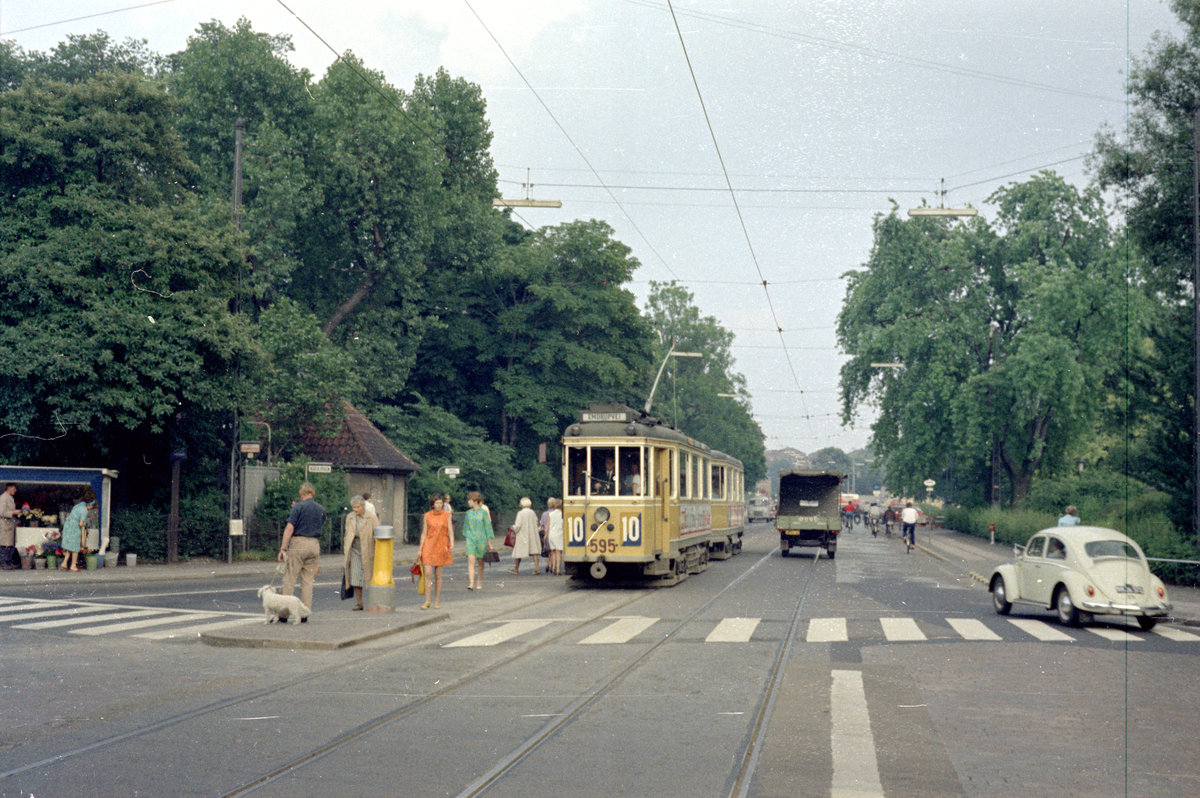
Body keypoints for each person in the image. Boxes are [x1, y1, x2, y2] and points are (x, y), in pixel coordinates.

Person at [278, 482, 326, 621]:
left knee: (290, 578)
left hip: (299, 543)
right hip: (314, 544)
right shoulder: (321, 509)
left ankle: (283, 614)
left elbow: (289, 529)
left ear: (301, 493)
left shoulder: (297, 507)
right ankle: (305, 614)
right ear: (313, 493)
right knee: (308, 581)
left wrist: (283, 548)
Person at [342, 495, 379, 611]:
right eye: (354, 507)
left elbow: (377, 534)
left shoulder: (372, 517)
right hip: (354, 549)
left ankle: (374, 602)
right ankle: (359, 603)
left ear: (363, 506)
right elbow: (347, 533)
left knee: (370, 576)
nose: (355, 510)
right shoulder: (350, 517)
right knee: (355, 576)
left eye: (357, 507)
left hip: (368, 549)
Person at [419, 494, 454, 609]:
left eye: (440, 503)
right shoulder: (427, 515)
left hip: (441, 546)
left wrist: (452, 544)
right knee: (428, 573)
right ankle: (427, 600)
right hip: (429, 546)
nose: (439, 505)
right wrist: (420, 549)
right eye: (437, 503)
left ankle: (436, 600)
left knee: (438, 575)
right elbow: (424, 533)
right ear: (432, 504)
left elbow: (450, 531)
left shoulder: (446, 515)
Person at [462, 491, 494, 591]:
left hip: (481, 540)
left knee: (480, 561)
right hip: (471, 539)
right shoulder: (468, 513)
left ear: (475, 501)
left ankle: (479, 580)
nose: (468, 502)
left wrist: (489, 543)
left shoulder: (484, 513)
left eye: (470, 500)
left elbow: (487, 527)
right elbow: (466, 527)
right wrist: (467, 539)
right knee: (470, 560)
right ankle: (471, 583)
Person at [59, 493, 93, 572]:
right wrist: (85, 523)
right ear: (90, 505)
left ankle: (64, 563)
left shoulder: (78, 506)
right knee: (75, 548)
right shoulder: (84, 511)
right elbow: (81, 524)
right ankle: (73, 565)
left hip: (68, 526)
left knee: (69, 546)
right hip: (74, 527)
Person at [509, 497, 541, 575]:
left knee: (518, 551)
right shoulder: (532, 512)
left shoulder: (520, 513)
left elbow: (518, 525)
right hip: (532, 534)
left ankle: (516, 568)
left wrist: (513, 528)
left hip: (522, 534)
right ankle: (537, 568)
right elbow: (536, 522)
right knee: (534, 551)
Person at [546, 498, 564, 575]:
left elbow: (548, 526)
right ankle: (558, 569)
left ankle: (553, 567)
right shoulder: (563, 514)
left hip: (551, 534)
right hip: (559, 533)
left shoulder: (550, 514)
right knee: (558, 552)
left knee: (553, 551)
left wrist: (546, 535)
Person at [0, 483, 16, 570]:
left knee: (10, 545)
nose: (15, 490)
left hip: (10, 525)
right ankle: (3, 563)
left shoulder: (10, 498)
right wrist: (13, 513)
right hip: (5, 525)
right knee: (4, 545)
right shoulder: (3, 498)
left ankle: (8, 562)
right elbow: (1, 512)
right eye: (14, 488)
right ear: (9, 488)